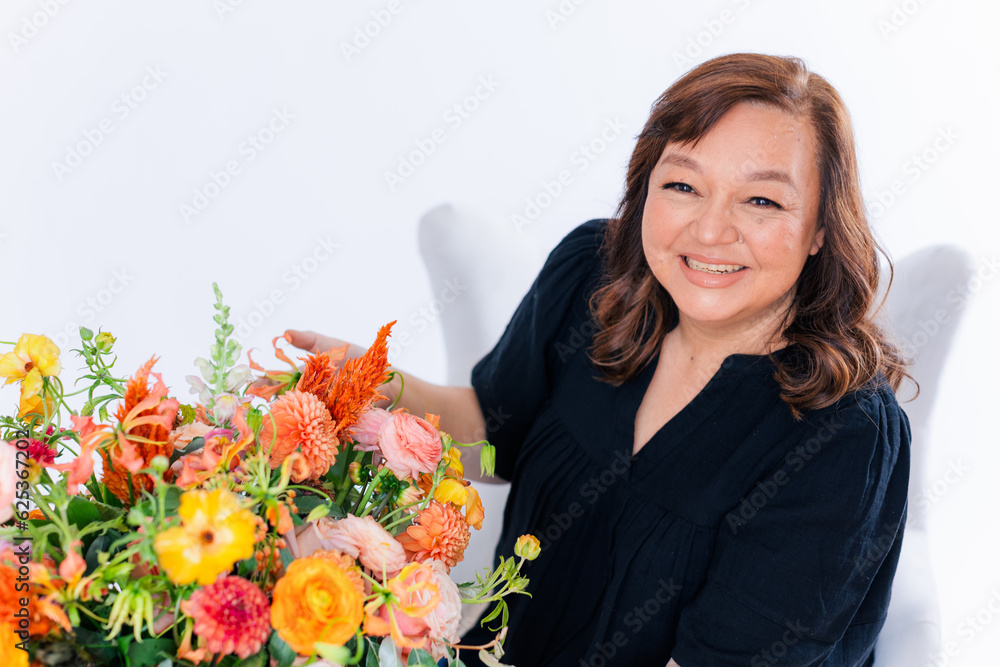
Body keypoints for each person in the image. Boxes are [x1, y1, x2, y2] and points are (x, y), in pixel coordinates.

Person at [287, 53, 911, 666]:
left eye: (763, 202)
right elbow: (493, 433)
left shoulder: (844, 434)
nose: (711, 231)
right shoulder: (595, 274)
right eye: (684, 186)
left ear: (823, 228)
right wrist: (368, 382)